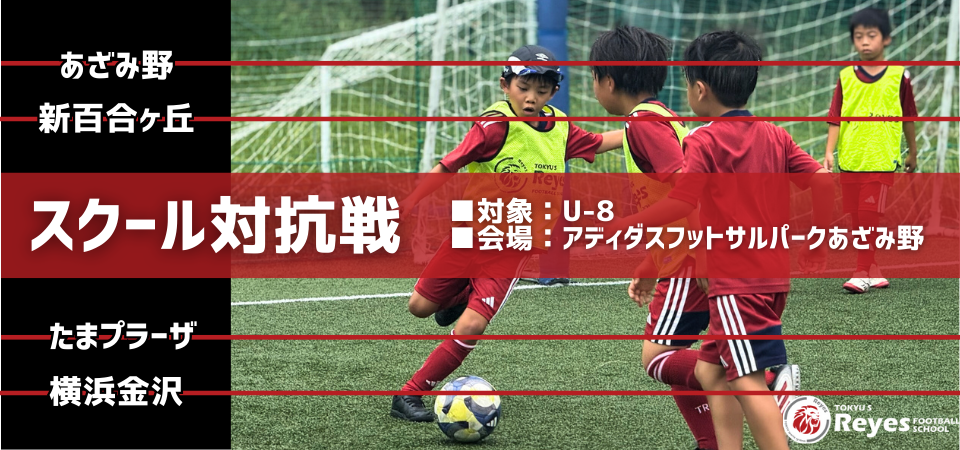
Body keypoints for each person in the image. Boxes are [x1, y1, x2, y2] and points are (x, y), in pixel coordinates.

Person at [605, 31, 832, 450]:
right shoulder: (775, 134)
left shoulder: (703, 141)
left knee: (745, 380)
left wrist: (627, 224)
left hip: (733, 282)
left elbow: (681, 202)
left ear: (699, 89)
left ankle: (774, 391)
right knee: (711, 371)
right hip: (773, 276)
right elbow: (822, 182)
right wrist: (818, 239)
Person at [390, 44, 624, 422]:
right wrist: (409, 203)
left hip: (512, 246)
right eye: (523, 88)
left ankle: (410, 393)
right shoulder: (493, 126)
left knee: (472, 325)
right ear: (505, 85)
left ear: (554, 91)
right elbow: (448, 165)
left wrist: (642, 130)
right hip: (470, 235)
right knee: (419, 307)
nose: (532, 98)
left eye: (542, 90)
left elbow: (599, 142)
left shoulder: (560, 127)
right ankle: (460, 296)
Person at [823, 7, 918, 293]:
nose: (865, 42)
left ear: (886, 39)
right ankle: (873, 268)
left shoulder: (899, 77)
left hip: (881, 158)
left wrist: (912, 152)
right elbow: (835, 117)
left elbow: (909, 118)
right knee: (856, 217)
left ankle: (861, 271)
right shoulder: (846, 77)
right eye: (859, 36)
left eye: (871, 35)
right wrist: (829, 152)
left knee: (869, 215)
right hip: (851, 158)